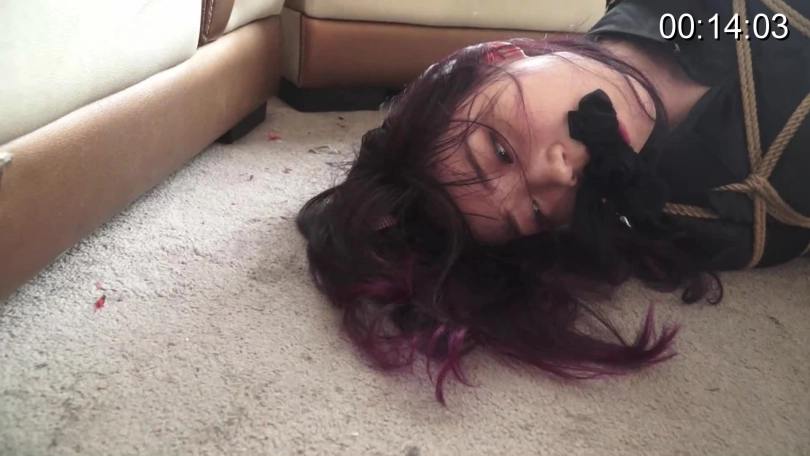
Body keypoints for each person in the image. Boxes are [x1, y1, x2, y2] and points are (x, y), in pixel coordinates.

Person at [296, 0, 810, 404]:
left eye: (498, 150)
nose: (559, 176)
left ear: (498, 58)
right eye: (537, 213)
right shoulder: (713, 227)